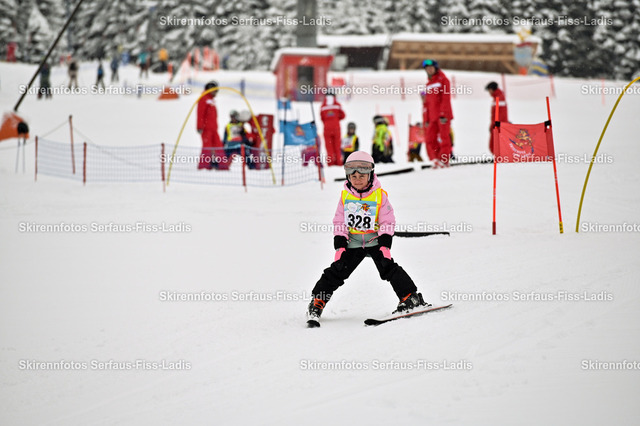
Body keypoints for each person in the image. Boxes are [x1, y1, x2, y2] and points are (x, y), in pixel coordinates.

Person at [305, 151, 430, 327]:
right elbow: (339, 221)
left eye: (362, 176)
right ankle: (317, 301)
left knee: (388, 267)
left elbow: (387, 221)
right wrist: (340, 244)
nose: (357, 180)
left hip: (374, 240)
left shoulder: (379, 195)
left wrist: (385, 244)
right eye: (353, 176)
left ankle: (410, 297)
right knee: (337, 270)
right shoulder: (345, 196)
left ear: (370, 175)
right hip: (353, 241)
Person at [422, 59, 453, 167]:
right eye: (427, 68)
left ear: (436, 68)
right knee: (430, 139)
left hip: (443, 116)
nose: (429, 70)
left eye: (431, 68)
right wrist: (426, 119)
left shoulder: (443, 80)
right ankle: (435, 159)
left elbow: (445, 98)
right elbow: (426, 104)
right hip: (432, 117)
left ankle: (444, 160)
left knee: (444, 138)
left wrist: (443, 114)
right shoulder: (428, 84)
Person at [197, 81, 227, 170]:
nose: (216, 93)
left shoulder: (211, 100)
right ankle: (204, 166)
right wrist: (199, 126)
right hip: (206, 129)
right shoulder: (204, 98)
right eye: (215, 91)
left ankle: (223, 166)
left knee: (219, 146)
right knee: (207, 147)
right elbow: (200, 113)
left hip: (214, 128)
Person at [320, 92, 345, 166]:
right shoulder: (338, 105)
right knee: (337, 145)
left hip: (327, 128)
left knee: (329, 146)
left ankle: (330, 163)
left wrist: (327, 122)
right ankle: (338, 162)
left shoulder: (323, 106)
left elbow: (322, 118)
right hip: (336, 128)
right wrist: (336, 119)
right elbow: (343, 115)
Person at [486, 81, 509, 156]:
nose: (489, 92)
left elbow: (500, 114)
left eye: (489, 90)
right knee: (495, 144)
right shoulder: (498, 97)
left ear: (492, 89)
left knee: (497, 143)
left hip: (499, 125)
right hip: (497, 124)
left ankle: (500, 157)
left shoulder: (499, 98)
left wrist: (495, 124)